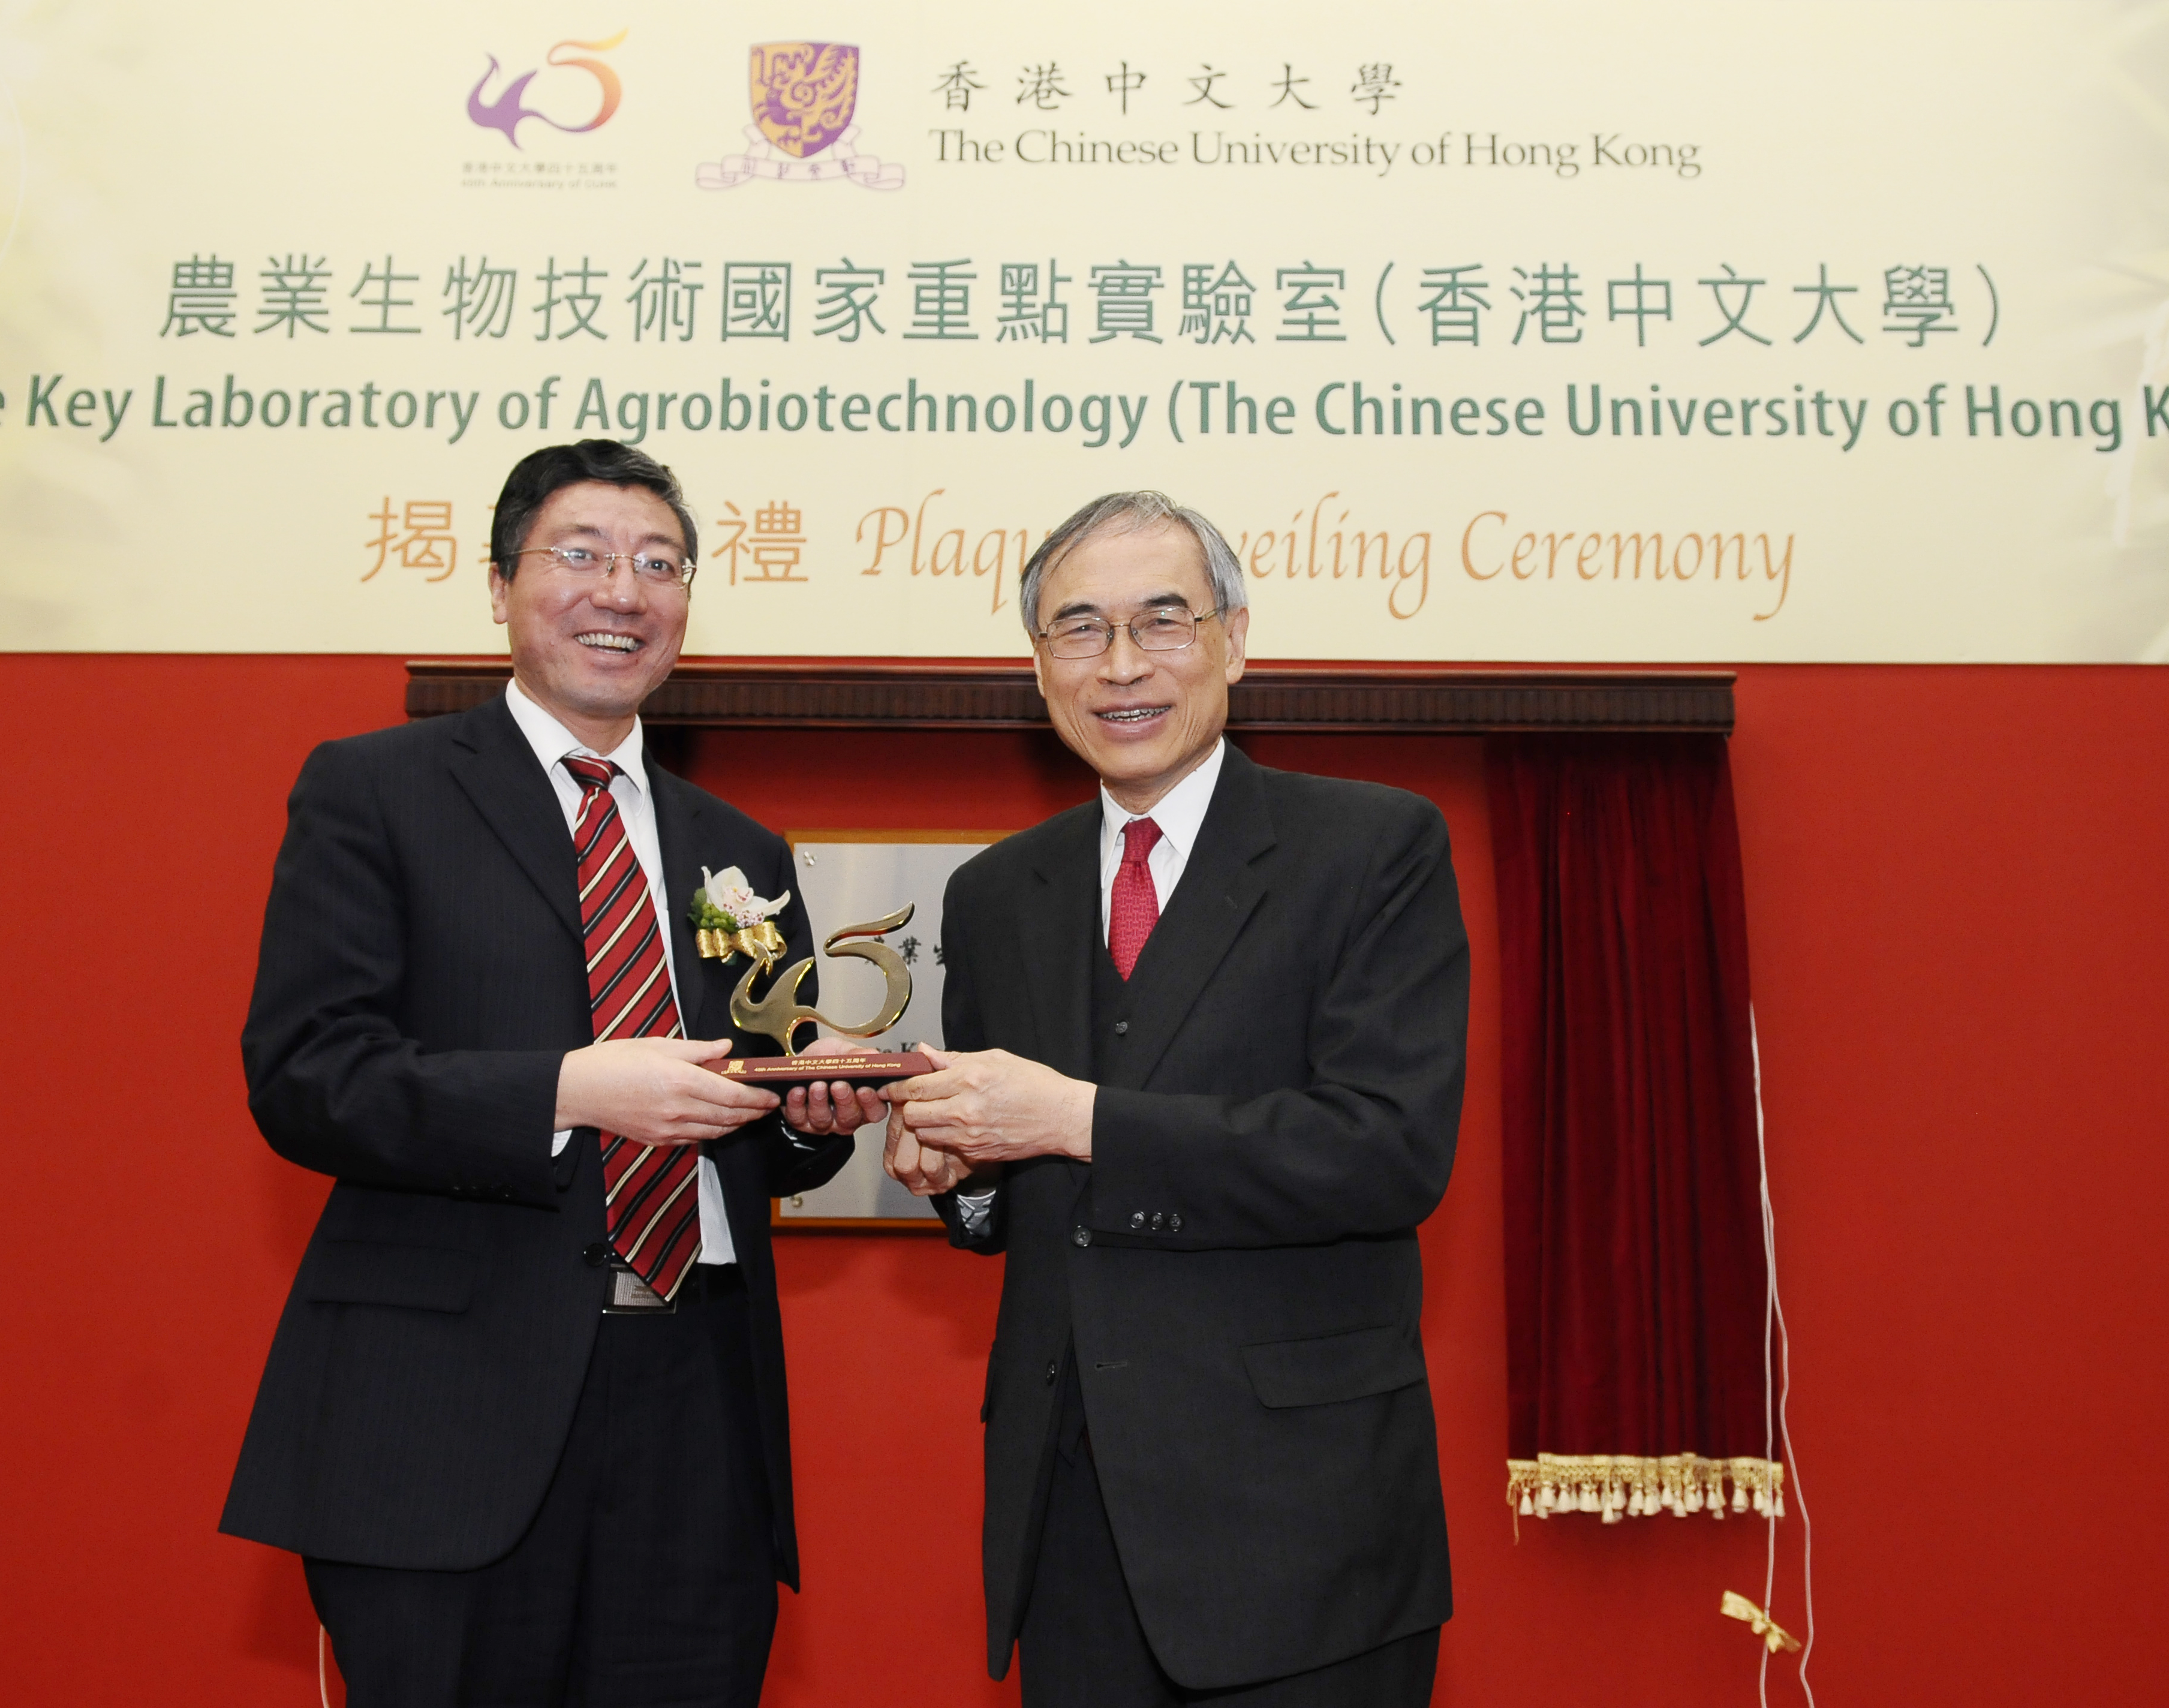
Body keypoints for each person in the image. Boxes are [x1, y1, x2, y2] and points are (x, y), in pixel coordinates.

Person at [221, 440, 883, 1707]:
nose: (620, 591)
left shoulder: (736, 848)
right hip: (449, 1409)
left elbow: (770, 1116)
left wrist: (818, 1112)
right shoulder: (377, 790)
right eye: (578, 555)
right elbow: (307, 1072)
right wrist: (569, 1092)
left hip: (698, 1401)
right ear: (498, 585)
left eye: (658, 565)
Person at [885, 492, 1470, 1706]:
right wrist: (964, 1172)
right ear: (1037, 662)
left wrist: (1068, 1117)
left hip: (1301, 1526)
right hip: (1072, 1518)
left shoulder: (1371, 847)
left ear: (1233, 636)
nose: (1121, 667)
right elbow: (1014, 1177)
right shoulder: (996, 891)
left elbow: (1383, 1149)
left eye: (1162, 621)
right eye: (1078, 630)